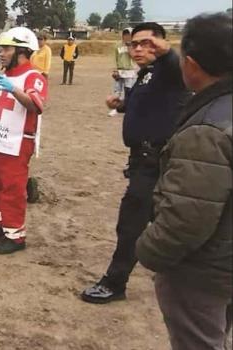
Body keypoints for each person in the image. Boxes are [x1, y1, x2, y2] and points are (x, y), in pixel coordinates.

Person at [135, 13, 232, 350]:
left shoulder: (206, 130)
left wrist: (148, 249)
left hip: (203, 269)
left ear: (191, 65)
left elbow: (187, 218)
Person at [81, 22, 191, 304]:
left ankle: (115, 283)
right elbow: (145, 104)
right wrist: (120, 105)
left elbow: (174, 61)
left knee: (131, 223)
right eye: (134, 44)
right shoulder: (148, 74)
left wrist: (166, 51)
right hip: (143, 160)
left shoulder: (171, 71)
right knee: (165, 220)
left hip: (156, 161)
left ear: (162, 44)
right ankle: (183, 275)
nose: (139, 49)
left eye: (147, 43)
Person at [0, 27, 48, 254]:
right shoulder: (5, 76)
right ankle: (4, 223)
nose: (2, 53)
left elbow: (35, 105)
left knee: (12, 190)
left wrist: (14, 89)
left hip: (18, 143)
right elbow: (5, 106)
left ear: (22, 51)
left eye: (7, 49)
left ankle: (16, 236)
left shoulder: (33, 76)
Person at [108, 28, 138, 117]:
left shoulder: (134, 45)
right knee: (117, 90)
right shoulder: (117, 45)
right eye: (125, 35)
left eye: (128, 35)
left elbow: (134, 57)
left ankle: (127, 108)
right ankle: (115, 109)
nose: (126, 37)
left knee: (128, 91)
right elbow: (114, 58)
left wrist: (129, 46)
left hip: (130, 71)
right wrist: (115, 70)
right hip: (120, 70)